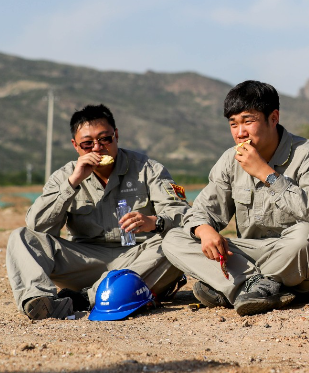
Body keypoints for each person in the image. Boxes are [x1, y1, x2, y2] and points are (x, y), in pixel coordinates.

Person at [162, 80, 309, 316]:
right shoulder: (229, 160)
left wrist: (266, 174)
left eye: (248, 121)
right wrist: (204, 230)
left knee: (304, 237)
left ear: (273, 118)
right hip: (252, 256)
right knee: (174, 238)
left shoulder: (308, 153)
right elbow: (202, 211)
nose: (240, 132)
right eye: (233, 124)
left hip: (299, 264)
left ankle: (232, 287)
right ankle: (254, 287)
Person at [7, 104, 190, 320]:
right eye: (87, 143)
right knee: (22, 237)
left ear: (117, 136)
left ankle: (86, 299)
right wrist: (73, 182)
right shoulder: (64, 176)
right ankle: (40, 301)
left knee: (178, 241)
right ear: (76, 146)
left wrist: (154, 222)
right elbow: (39, 226)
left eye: (105, 139)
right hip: (84, 261)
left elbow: (181, 214)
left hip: (139, 257)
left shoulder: (149, 169)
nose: (97, 148)